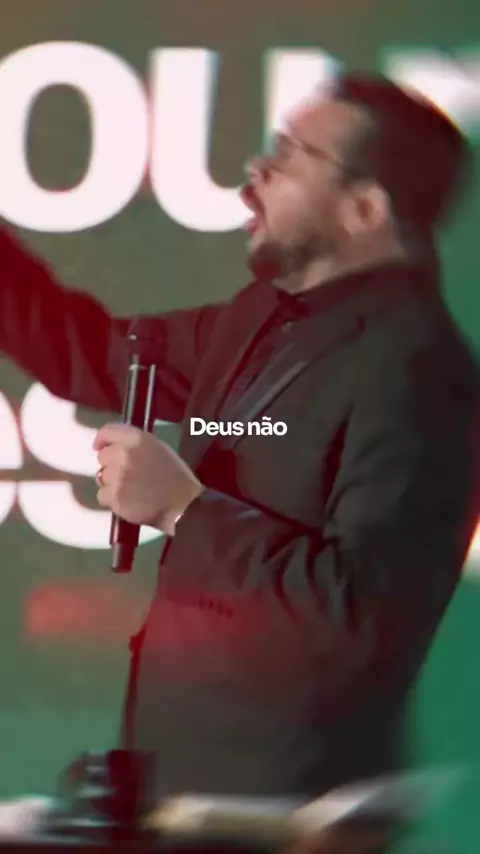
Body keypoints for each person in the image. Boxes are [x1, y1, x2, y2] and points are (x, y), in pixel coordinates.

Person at [0, 70, 478, 841]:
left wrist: (184, 511)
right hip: (185, 794)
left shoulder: (421, 373)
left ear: (365, 208)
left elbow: (362, 620)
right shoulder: (261, 318)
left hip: (290, 811)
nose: (253, 172)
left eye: (288, 156)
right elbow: (83, 352)